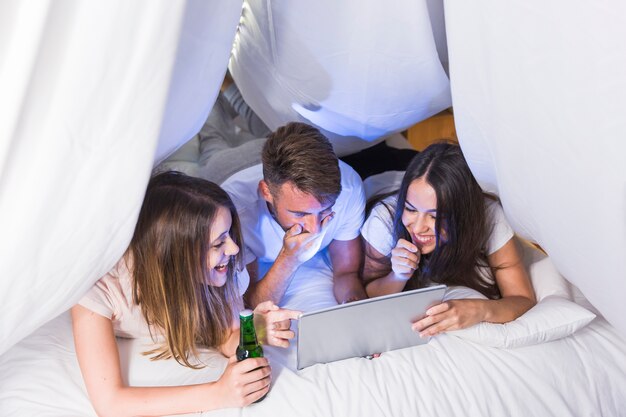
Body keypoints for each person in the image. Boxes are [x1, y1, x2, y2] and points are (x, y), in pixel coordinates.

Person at [71, 171, 300, 416]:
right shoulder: (102, 285)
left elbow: (225, 337)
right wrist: (218, 393)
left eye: (229, 235)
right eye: (218, 243)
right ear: (177, 256)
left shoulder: (219, 269)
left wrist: (256, 328)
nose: (234, 249)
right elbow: (111, 403)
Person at [361, 142, 536, 337]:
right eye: (410, 209)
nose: (418, 228)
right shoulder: (384, 218)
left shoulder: (489, 216)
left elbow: (522, 298)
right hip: (378, 169)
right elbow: (366, 292)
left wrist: (481, 309)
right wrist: (398, 276)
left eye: (435, 216)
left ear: (463, 216)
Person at [222, 122, 368, 308]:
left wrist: (355, 308)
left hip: (269, 161)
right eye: (300, 213)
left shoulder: (349, 189)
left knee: (258, 124)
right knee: (212, 140)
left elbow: (346, 273)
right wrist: (288, 259)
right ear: (266, 192)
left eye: (325, 210)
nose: (314, 228)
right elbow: (250, 303)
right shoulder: (233, 212)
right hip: (230, 165)